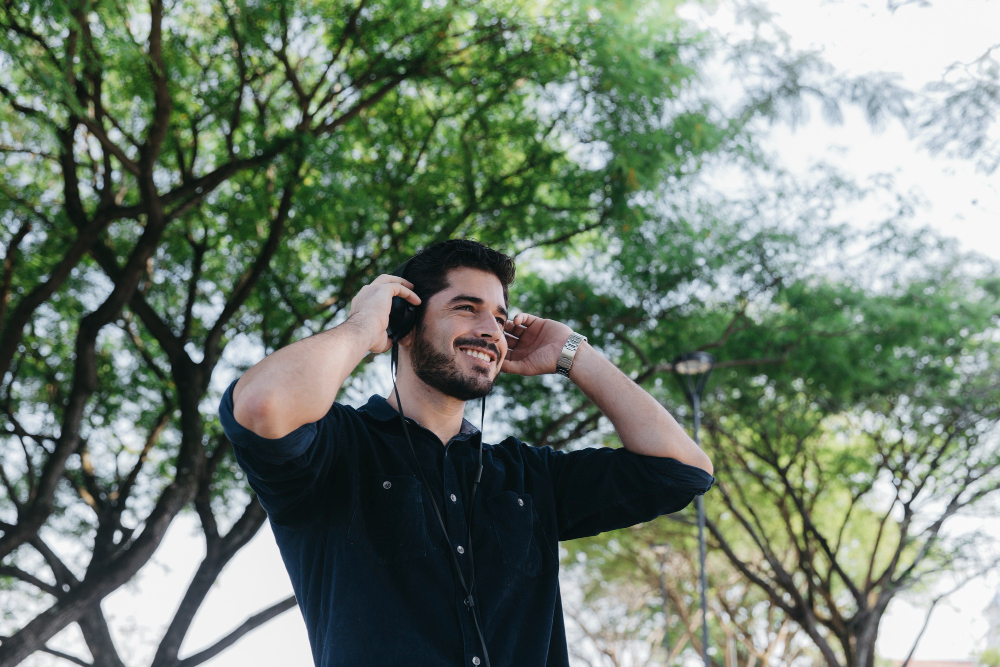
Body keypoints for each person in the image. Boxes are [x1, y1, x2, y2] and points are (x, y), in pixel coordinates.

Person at [218, 239, 714, 667]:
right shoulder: (334, 451)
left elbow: (683, 471)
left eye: (499, 317)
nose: (491, 330)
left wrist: (574, 355)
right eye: (466, 307)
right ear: (404, 322)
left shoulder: (528, 476)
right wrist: (362, 327)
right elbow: (264, 404)